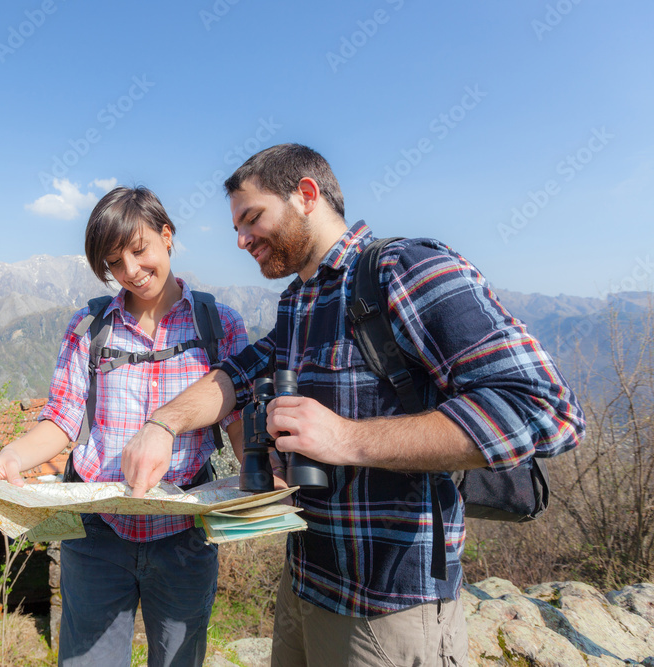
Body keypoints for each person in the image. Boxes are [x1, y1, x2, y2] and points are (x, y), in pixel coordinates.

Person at [121, 144, 585, 666]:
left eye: (251, 218)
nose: (242, 239)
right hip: (304, 585)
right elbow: (236, 377)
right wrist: (163, 425)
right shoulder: (300, 301)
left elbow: (544, 408)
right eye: (236, 227)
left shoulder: (404, 269)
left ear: (306, 195)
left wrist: (345, 438)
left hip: (388, 605)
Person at [0, 185, 248, 667]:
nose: (131, 272)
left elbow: (237, 418)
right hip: (97, 535)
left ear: (167, 236)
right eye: (114, 263)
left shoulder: (217, 325)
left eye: (140, 250)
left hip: (184, 532)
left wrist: (258, 473)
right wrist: (12, 458)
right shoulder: (90, 325)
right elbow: (62, 419)